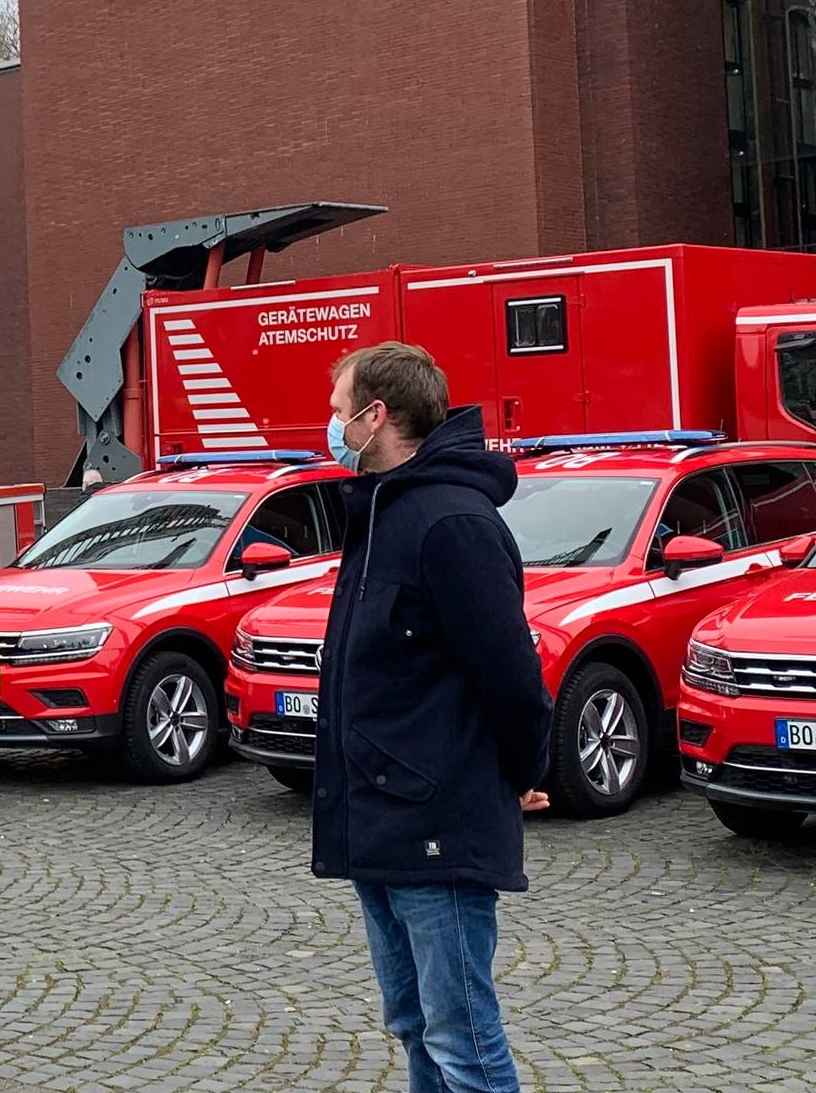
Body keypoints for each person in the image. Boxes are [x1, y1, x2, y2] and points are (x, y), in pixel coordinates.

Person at [310, 343, 553, 1093]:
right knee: (415, 1024)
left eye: (336, 404)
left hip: (437, 822)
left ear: (373, 415)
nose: (328, 420)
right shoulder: (380, 510)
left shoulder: (450, 522)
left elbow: (511, 674)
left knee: (462, 1040)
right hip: (380, 820)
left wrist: (522, 773)